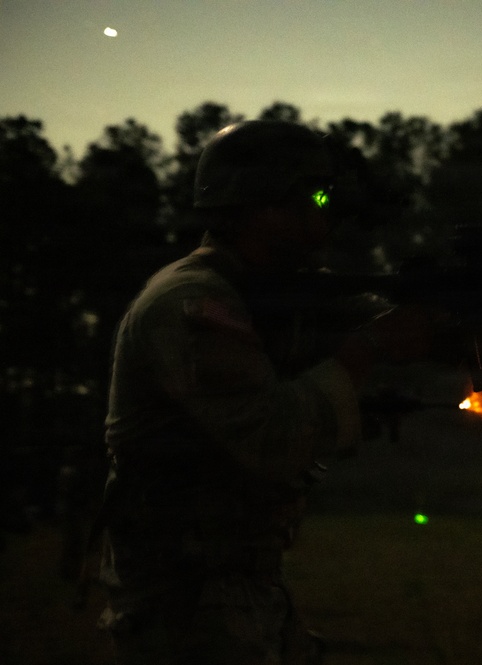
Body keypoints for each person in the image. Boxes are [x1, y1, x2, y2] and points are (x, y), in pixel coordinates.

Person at [96, 120, 430, 664]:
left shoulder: (276, 289)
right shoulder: (194, 304)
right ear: (261, 205)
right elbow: (271, 438)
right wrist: (370, 347)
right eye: (317, 194)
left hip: (237, 586)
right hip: (181, 600)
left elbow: (415, 327)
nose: (329, 208)